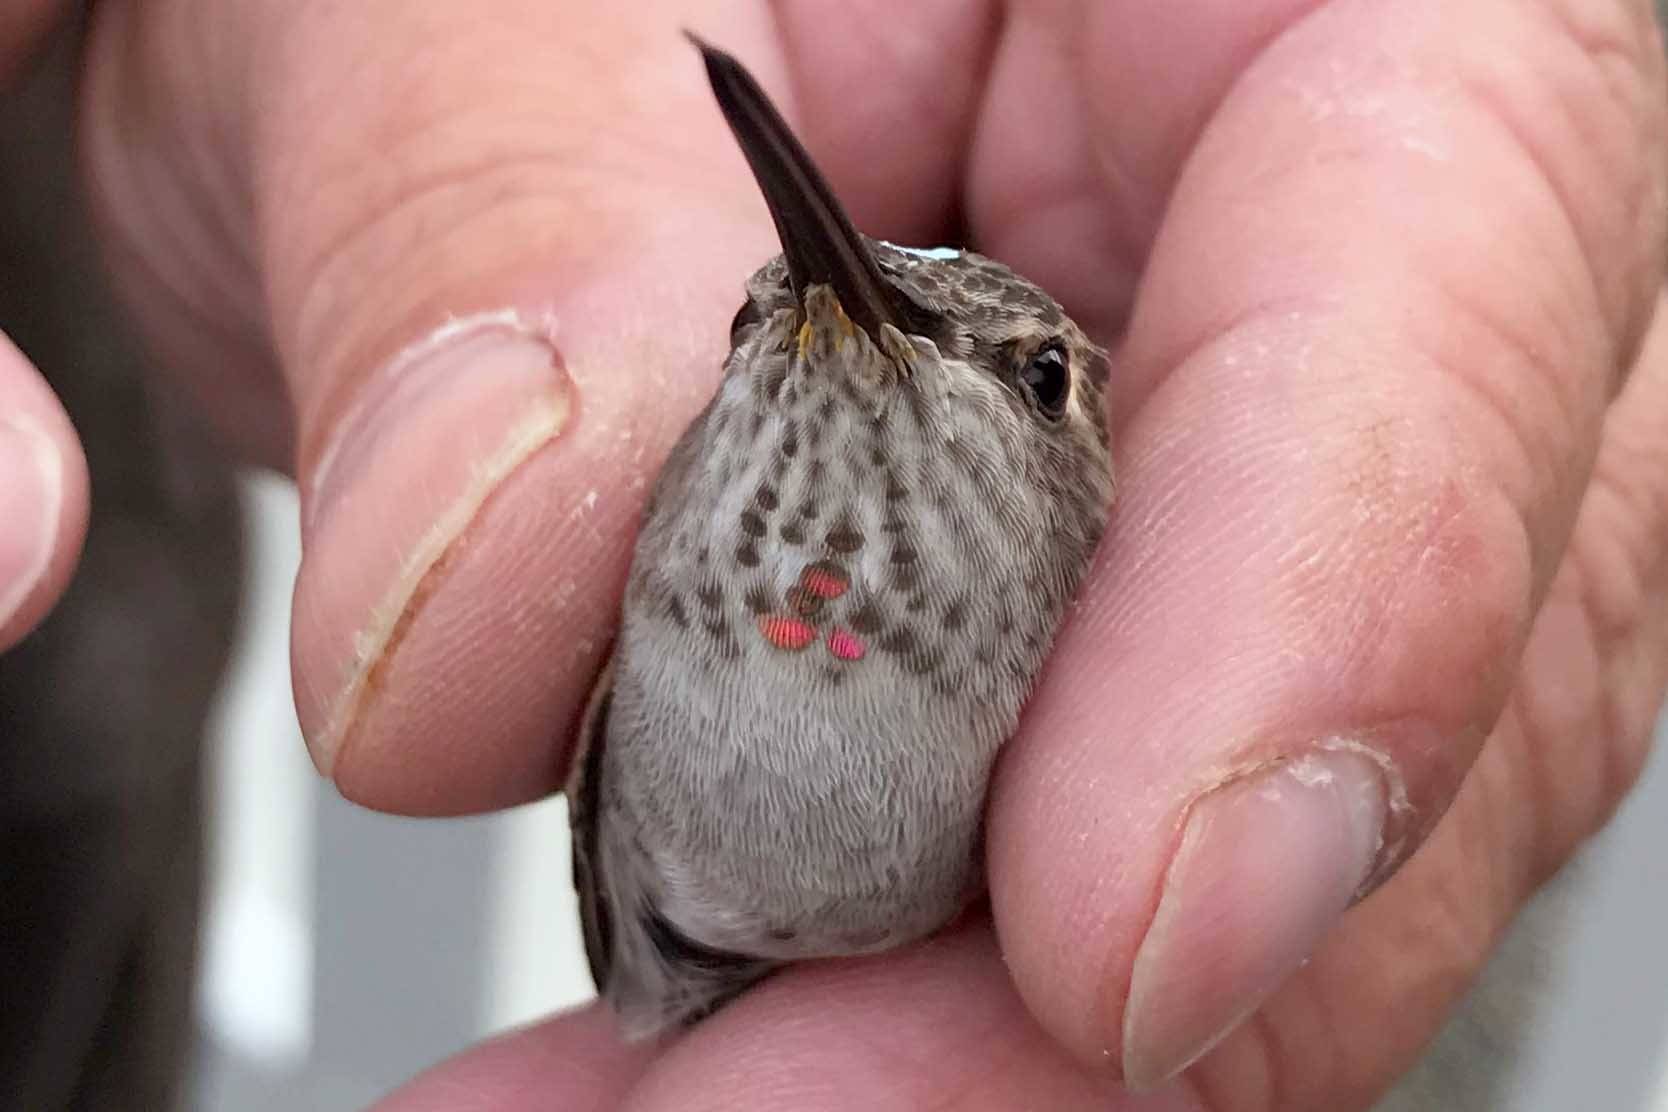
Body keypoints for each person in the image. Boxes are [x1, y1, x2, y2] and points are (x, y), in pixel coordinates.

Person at [2, 2, 1665, 1108]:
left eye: (1027, 380)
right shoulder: (663, 554)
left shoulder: (1064, 658)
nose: (828, 321)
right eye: (760, 321)